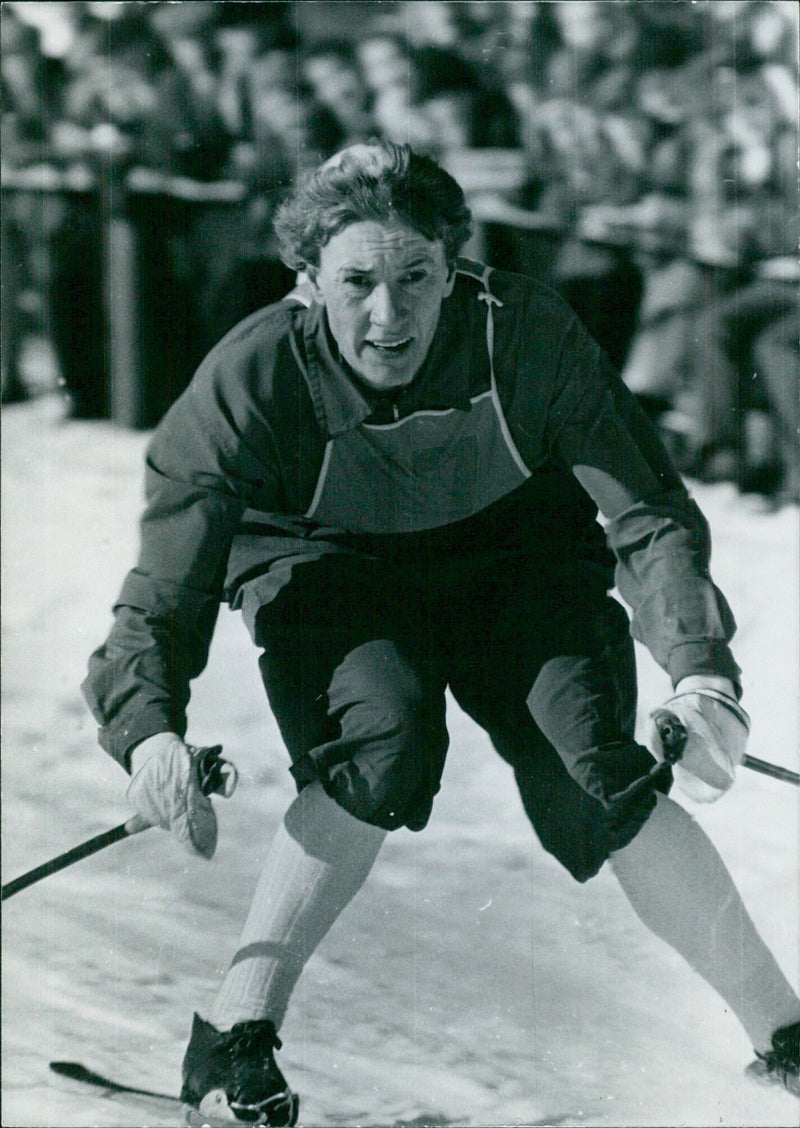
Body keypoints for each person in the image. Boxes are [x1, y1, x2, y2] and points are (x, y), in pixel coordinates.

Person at [82, 141, 800, 1124]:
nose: (391, 315)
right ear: (307, 281)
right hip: (328, 562)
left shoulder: (523, 332)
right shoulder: (248, 378)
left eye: (417, 276)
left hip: (512, 556)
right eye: (358, 282)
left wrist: (698, 671)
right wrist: (146, 728)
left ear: (454, 264)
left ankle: (783, 1035)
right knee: (382, 739)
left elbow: (644, 509)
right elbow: (162, 589)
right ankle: (234, 1038)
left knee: (593, 765)